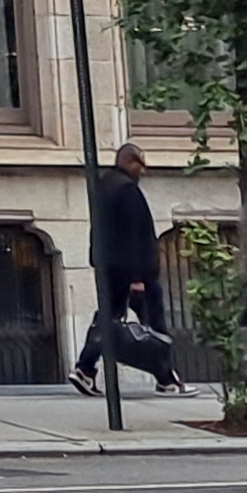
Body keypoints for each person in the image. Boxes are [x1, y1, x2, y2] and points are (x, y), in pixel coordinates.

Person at [72, 142, 187, 397]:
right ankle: (166, 379)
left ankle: (85, 368)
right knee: (154, 324)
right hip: (134, 271)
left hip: (109, 267)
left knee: (108, 319)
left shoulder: (104, 187)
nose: (143, 171)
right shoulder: (126, 191)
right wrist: (137, 278)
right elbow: (134, 235)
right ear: (129, 162)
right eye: (140, 165)